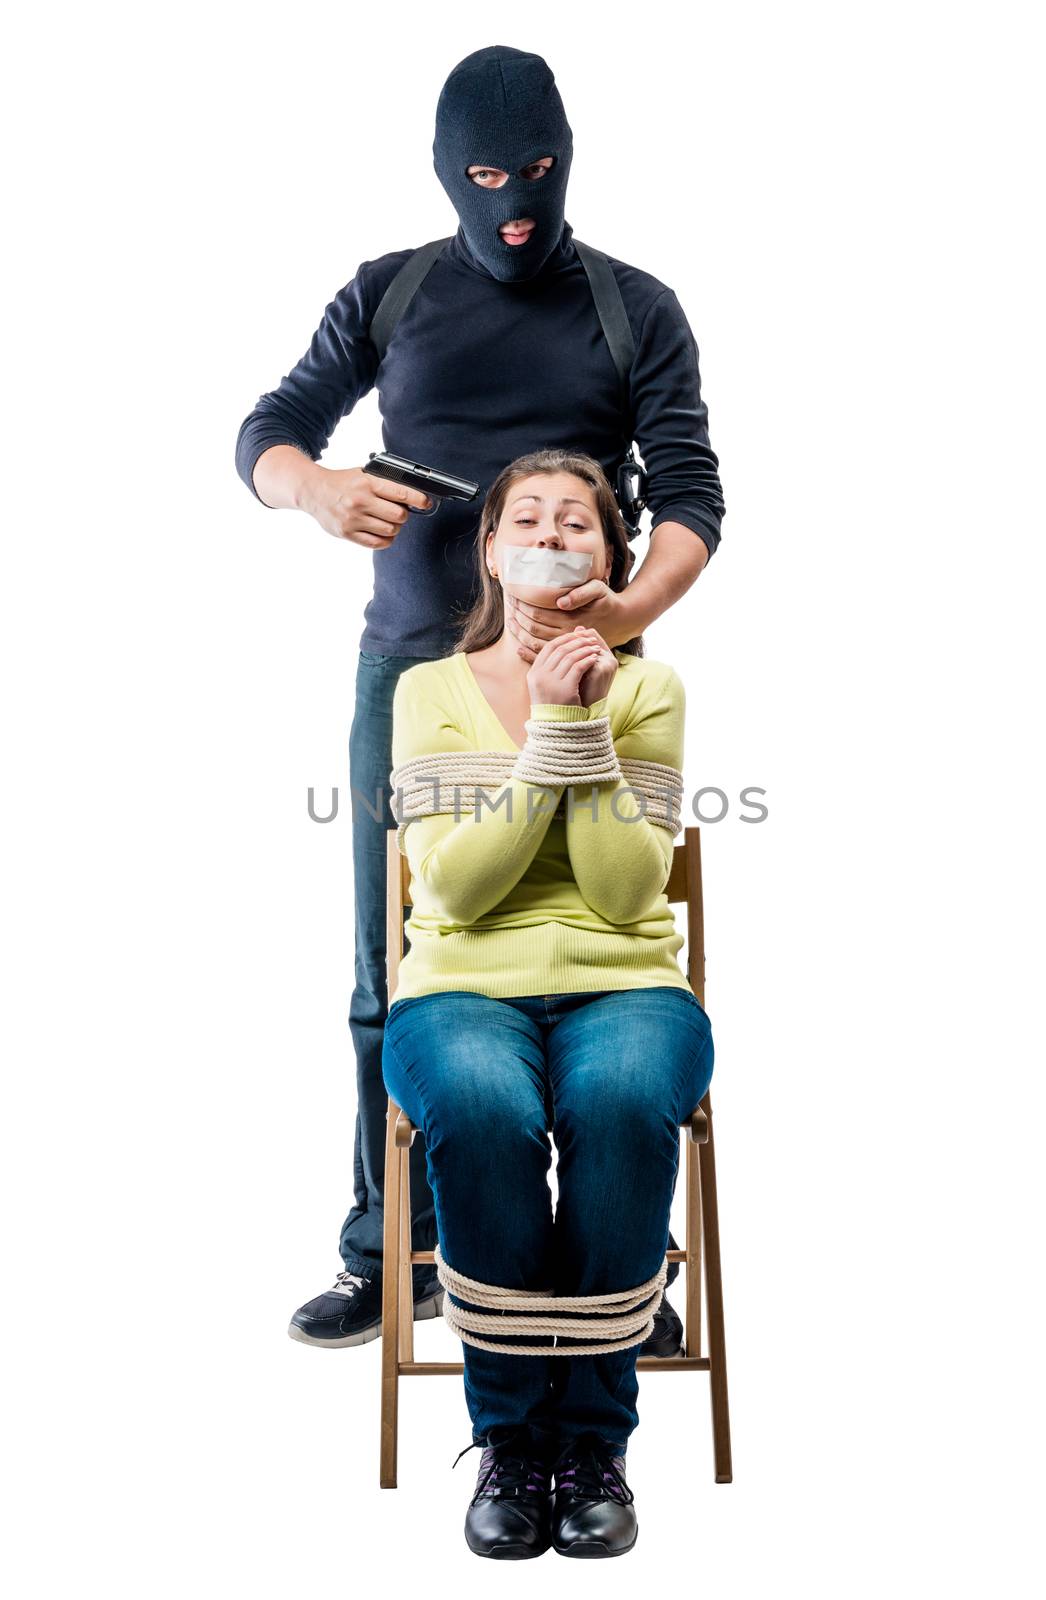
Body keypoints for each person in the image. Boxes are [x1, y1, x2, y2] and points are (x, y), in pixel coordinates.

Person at [233, 44, 725, 1353]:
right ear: (448, 172)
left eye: (539, 172)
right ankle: (396, 1247)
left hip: (581, 675)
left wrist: (620, 620)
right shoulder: (389, 294)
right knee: (390, 962)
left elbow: (692, 497)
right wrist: (315, 486)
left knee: (602, 937)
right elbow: (267, 430)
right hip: (416, 676)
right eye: (488, 175)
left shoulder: (635, 308)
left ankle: (621, 1264)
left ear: (569, 158)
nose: (514, 201)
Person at [382, 449, 713, 1559]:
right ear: (489, 549)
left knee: (621, 1098)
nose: (553, 533)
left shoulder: (653, 689)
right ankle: (513, 1445)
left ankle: (594, 1444)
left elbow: (625, 894)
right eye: (527, 516)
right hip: (460, 988)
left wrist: (585, 718)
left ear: (613, 557)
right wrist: (557, 736)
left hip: (626, 985)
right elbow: (459, 889)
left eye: (580, 521)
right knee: (480, 1107)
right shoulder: (426, 689)